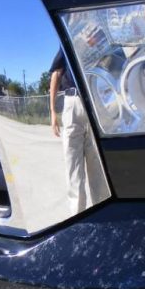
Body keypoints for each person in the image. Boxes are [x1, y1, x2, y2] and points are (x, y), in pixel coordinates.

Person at [49, 50, 98, 214]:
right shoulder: (69, 37)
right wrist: (52, 111)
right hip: (72, 103)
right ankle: (78, 220)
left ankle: (103, 217)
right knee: (73, 171)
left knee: (99, 174)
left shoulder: (102, 37)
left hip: (98, 100)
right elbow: (56, 73)